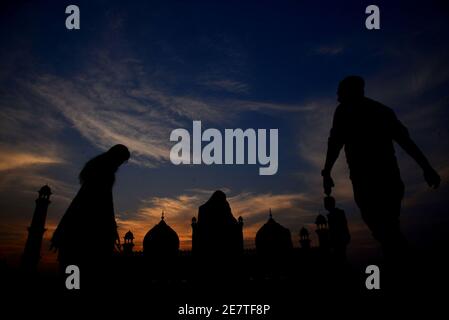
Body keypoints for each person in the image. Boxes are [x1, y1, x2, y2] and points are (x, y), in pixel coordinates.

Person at [322, 76, 440, 262]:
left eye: (341, 92)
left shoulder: (346, 112)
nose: (338, 96)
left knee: (385, 230)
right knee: (387, 229)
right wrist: (426, 168)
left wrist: (327, 172)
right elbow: (406, 142)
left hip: (368, 181)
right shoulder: (381, 111)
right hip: (388, 178)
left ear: (350, 91)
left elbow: (334, 144)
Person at [51, 144, 130, 283]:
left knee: (74, 278)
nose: (119, 165)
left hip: (78, 235)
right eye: (120, 161)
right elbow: (102, 204)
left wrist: (61, 231)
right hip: (88, 236)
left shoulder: (97, 174)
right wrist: (110, 227)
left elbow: (78, 203)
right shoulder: (104, 176)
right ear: (116, 158)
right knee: (85, 274)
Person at [324, 196, 350, 261]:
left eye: (325, 203)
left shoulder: (337, 213)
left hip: (338, 241)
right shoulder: (335, 213)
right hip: (338, 241)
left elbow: (339, 228)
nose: (324, 205)